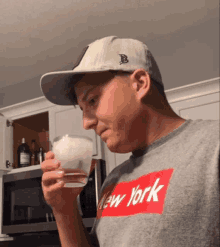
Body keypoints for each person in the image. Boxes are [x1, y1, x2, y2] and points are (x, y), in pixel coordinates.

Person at [40, 36, 219, 247]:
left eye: (92, 100)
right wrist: (64, 209)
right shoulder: (113, 180)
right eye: (82, 109)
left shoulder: (214, 145)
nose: (86, 123)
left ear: (139, 83)